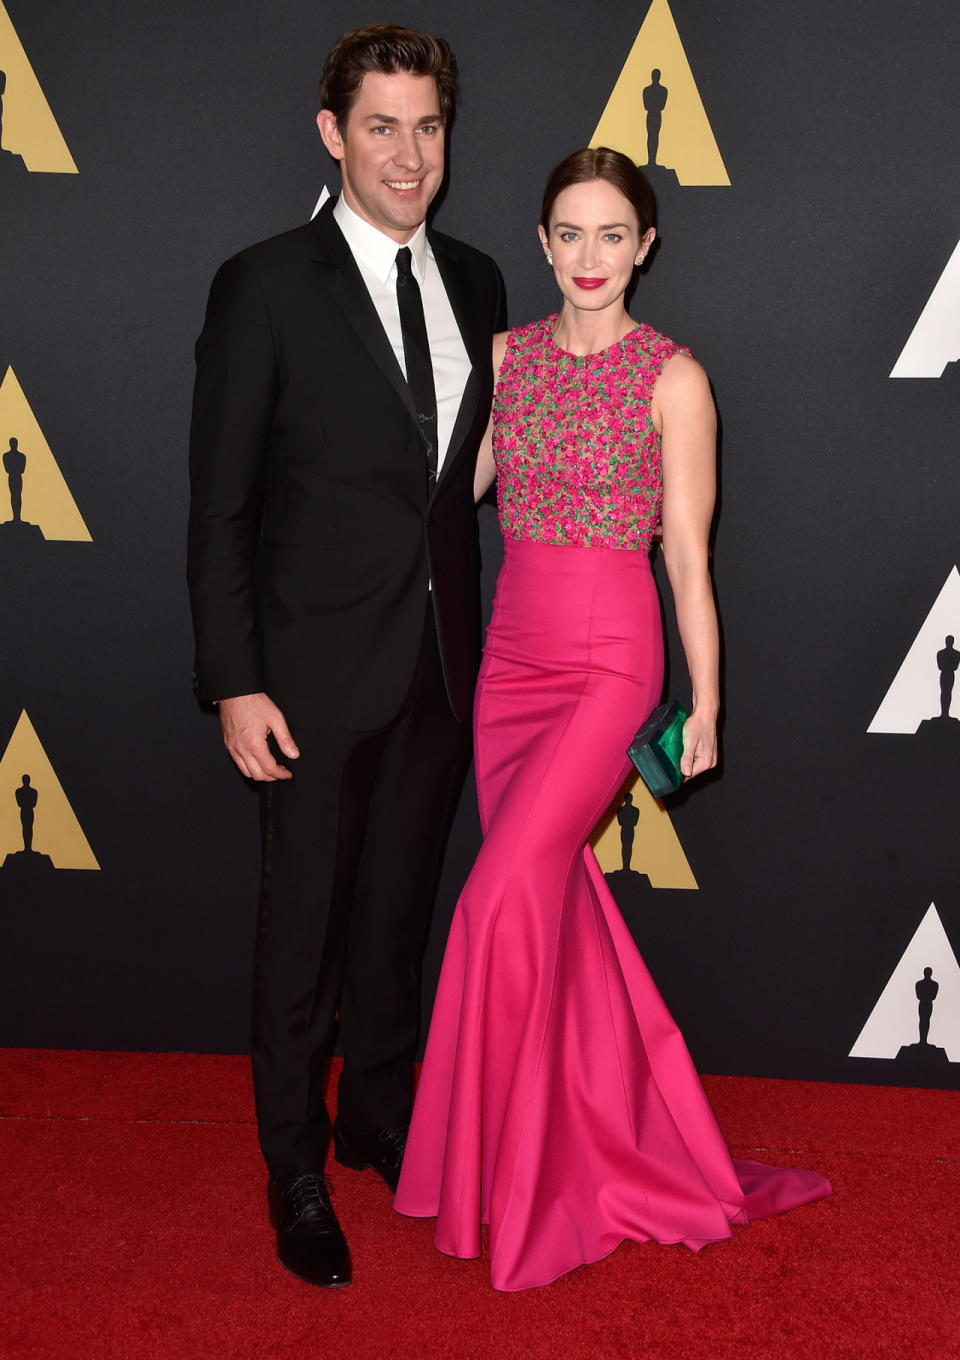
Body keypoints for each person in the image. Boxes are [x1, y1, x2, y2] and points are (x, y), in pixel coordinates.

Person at [395, 147, 831, 1291]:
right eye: (569, 235)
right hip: (511, 666)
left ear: (645, 246)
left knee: (497, 900)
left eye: (612, 235)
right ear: (542, 245)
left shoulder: (674, 379)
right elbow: (453, 495)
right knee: (550, 908)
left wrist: (708, 701)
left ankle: (508, 1176)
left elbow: (690, 560)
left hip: (608, 664)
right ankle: (569, 1141)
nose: (590, 258)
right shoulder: (505, 358)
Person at [187, 23, 506, 1289]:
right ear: (333, 133)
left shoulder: (479, 280)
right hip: (308, 676)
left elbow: (461, 477)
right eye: (382, 126)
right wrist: (233, 675)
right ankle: (296, 1166)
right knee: (302, 931)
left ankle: (377, 1115)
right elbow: (220, 501)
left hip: (437, 660)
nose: (409, 155)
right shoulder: (263, 282)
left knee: (394, 918)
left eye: (429, 126)